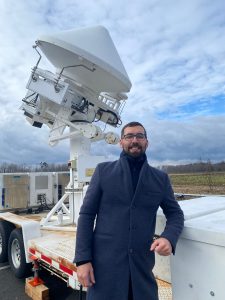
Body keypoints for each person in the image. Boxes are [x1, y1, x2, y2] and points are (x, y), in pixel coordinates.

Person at [74, 121, 184, 300]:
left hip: (142, 272)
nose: (135, 140)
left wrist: (168, 238)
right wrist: (83, 260)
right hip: (104, 271)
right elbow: (86, 216)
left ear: (146, 142)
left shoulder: (160, 178)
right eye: (129, 136)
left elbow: (175, 213)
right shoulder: (103, 172)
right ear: (121, 142)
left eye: (140, 136)